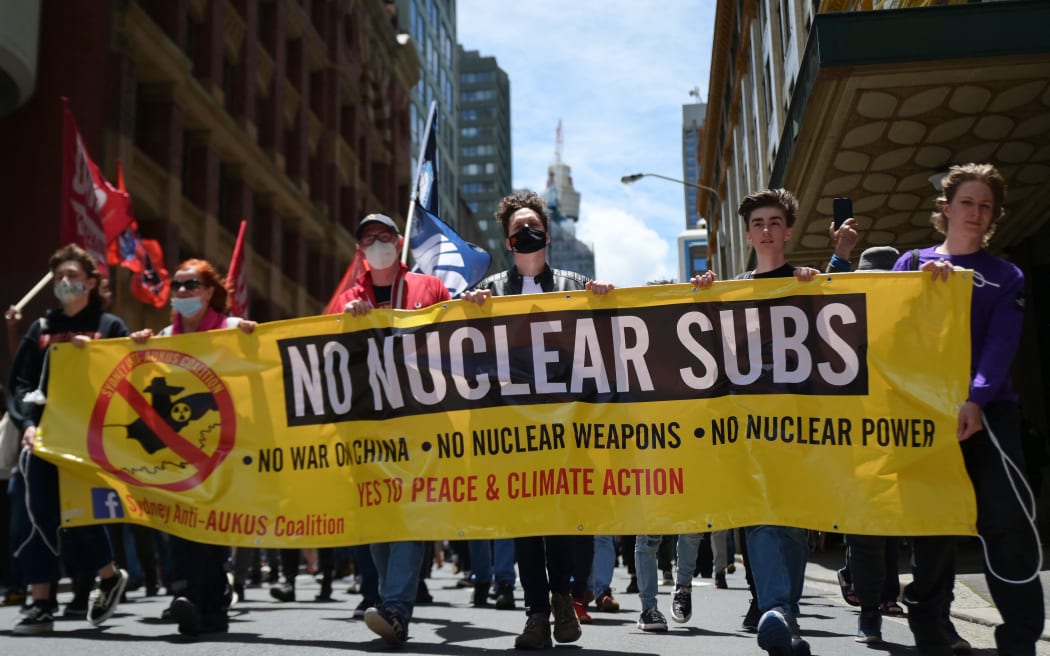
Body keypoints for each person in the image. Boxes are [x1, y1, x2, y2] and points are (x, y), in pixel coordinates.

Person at [892, 163, 1044, 656]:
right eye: (967, 202)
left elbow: (1000, 347)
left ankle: (1019, 640)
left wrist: (976, 399)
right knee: (932, 529)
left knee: (1006, 526)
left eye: (985, 206)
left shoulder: (1006, 276)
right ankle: (932, 633)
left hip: (988, 416)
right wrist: (921, 288)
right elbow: (888, 333)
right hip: (924, 418)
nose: (976, 213)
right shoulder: (910, 264)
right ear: (946, 208)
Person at [462, 190, 614, 650]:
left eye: (534, 228)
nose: (527, 235)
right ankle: (536, 614)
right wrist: (468, 310)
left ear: (546, 234)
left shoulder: (573, 283)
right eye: (518, 230)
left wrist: (602, 302)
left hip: (563, 427)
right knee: (526, 525)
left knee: (561, 520)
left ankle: (564, 599)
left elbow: (602, 341)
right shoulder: (491, 292)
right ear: (509, 241)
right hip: (514, 431)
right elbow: (467, 350)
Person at [692, 188, 819, 656]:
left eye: (774, 222)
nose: (766, 231)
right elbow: (710, 347)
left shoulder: (809, 284)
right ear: (748, 234)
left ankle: (788, 611)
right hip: (749, 429)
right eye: (757, 224)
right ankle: (777, 609)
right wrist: (705, 298)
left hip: (802, 427)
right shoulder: (732, 290)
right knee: (762, 516)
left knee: (794, 525)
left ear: (787, 230)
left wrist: (821, 283)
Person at [331, 212, 451, 646]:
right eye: (368, 237)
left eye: (384, 235)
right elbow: (324, 353)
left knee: (408, 516)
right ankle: (388, 603)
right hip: (366, 428)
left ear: (399, 242)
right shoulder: (347, 297)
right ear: (360, 249)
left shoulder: (427, 288)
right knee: (378, 521)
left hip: (417, 422)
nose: (377, 242)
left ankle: (396, 607)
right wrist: (346, 321)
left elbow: (453, 335)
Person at [7, 244, 131, 635]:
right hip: (43, 436)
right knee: (34, 513)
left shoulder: (110, 327)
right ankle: (41, 600)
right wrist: (26, 422)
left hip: (88, 439)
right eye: (60, 276)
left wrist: (95, 357)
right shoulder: (41, 328)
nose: (65, 282)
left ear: (92, 283)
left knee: (78, 516)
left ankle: (108, 576)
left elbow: (128, 378)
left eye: (74, 276)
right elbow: (21, 382)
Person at [129, 258, 257, 636]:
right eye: (178, 285)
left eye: (192, 285)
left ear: (209, 292)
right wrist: (137, 348)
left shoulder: (232, 329)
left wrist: (253, 340)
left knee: (211, 529)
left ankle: (208, 602)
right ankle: (188, 597)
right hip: (175, 449)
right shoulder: (164, 336)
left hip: (222, 446)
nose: (183, 292)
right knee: (180, 524)